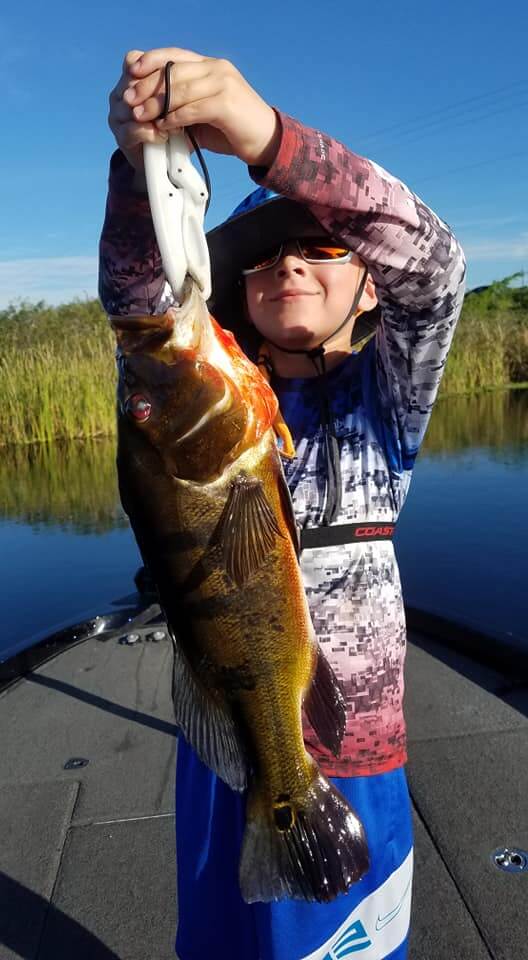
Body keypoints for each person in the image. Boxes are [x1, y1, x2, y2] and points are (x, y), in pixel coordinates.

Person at [99, 47, 466, 960]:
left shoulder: (386, 406)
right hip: (226, 761)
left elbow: (439, 266)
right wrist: (141, 165)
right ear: (236, 292)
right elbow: (138, 304)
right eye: (262, 256)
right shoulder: (201, 395)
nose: (289, 266)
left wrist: (267, 141)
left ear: (368, 281)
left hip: (358, 760)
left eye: (322, 246)